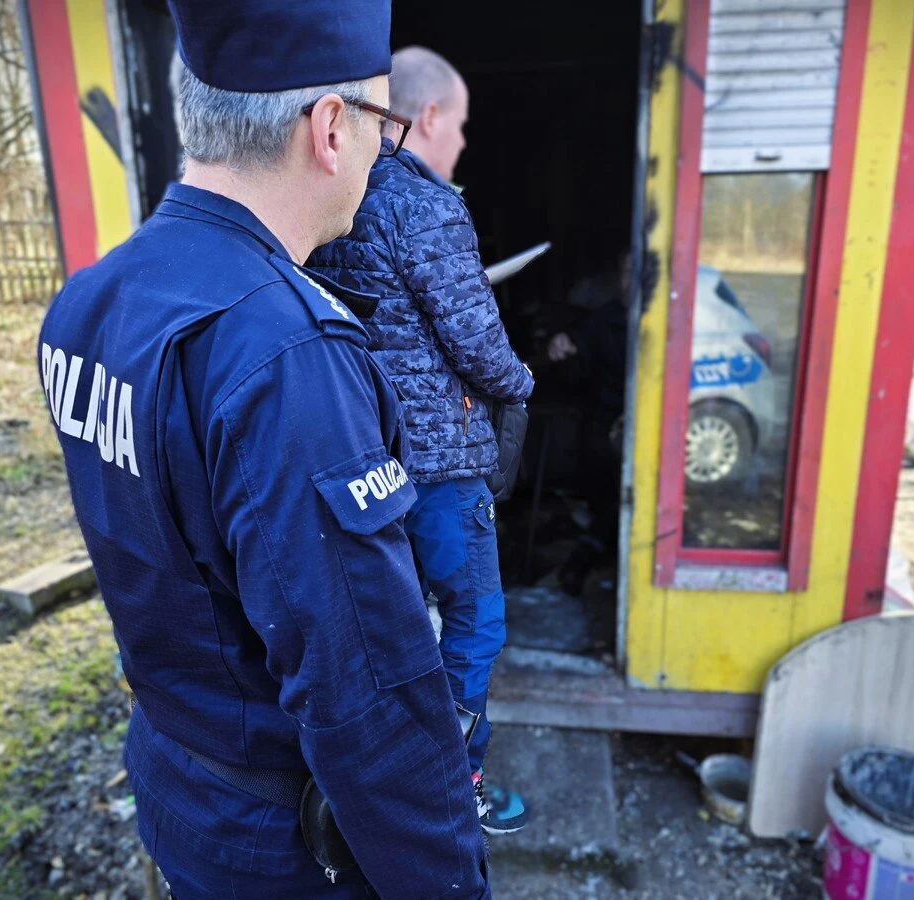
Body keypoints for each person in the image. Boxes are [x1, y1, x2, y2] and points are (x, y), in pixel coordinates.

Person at [36, 3, 489, 897]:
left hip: (180, 785)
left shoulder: (89, 301)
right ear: (331, 127)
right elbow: (369, 696)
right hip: (282, 848)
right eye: (383, 124)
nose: (382, 151)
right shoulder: (288, 355)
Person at [310, 46, 534, 835]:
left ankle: (388, 782)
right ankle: (453, 788)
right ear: (428, 116)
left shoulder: (332, 195)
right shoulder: (425, 205)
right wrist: (525, 381)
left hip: (364, 461)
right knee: (474, 622)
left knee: (392, 630)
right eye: (460, 125)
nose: (462, 142)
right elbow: (478, 342)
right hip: (441, 467)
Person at [546, 252, 631, 596]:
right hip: (605, 421)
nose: (630, 281)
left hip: (647, 424)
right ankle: (595, 547)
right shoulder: (602, 320)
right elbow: (574, 369)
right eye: (625, 272)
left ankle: (589, 551)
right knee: (602, 468)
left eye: (638, 271)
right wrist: (561, 348)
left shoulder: (669, 319)